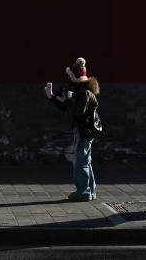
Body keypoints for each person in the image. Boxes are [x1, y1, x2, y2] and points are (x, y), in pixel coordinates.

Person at [45, 57, 100, 202]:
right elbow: (67, 109)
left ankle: (83, 192)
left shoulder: (84, 93)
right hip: (83, 130)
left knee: (80, 161)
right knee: (85, 160)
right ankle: (90, 191)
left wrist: (68, 100)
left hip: (83, 131)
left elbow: (78, 112)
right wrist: (52, 98)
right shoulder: (81, 91)